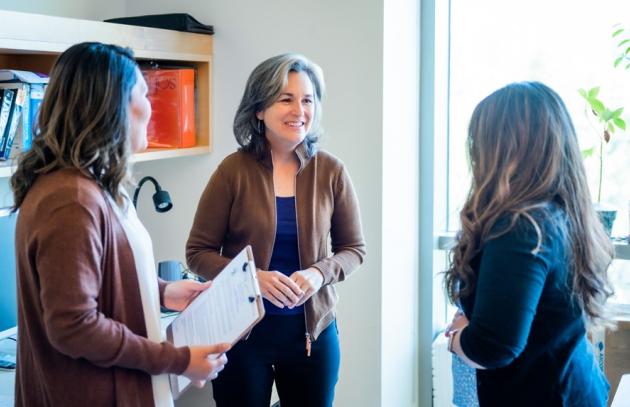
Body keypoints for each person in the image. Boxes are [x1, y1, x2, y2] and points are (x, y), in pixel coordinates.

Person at [10, 42, 229, 407]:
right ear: (112, 105)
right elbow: (74, 327)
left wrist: (162, 291)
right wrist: (178, 360)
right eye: (144, 93)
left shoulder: (92, 186)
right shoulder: (71, 199)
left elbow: (102, 277)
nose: (153, 106)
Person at [186, 53, 366, 407]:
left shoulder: (331, 171)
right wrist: (252, 277)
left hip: (312, 337)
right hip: (241, 337)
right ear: (259, 109)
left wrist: (318, 273)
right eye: (286, 99)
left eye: (307, 100)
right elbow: (198, 253)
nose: (299, 110)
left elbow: (354, 249)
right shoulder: (232, 171)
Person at [443, 81, 614, 406]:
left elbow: (493, 346)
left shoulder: (522, 227)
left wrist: (458, 337)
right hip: (571, 387)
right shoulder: (561, 213)